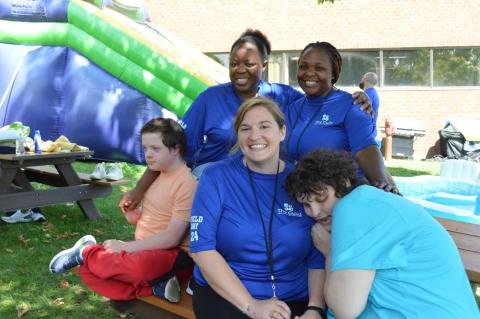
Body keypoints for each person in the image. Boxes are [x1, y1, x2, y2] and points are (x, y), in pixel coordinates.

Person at [119, 29, 373, 213]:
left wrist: (359, 98)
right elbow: (173, 145)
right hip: (215, 179)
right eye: (233, 63)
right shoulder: (210, 99)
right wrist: (139, 189)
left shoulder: (282, 96)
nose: (240, 69)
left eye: (249, 64)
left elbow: (318, 98)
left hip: (265, 181)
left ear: (263, 64)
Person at [285, 150, 480, 319]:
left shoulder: (351, 207)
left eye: (321, 198)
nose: (316, 212)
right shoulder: (370, 201)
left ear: (343, 183)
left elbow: (344, 308)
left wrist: (329, 252)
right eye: (306, 204)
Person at [190, 97, 326, 319]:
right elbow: (202, 249)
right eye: (245, 129)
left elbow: (316, 255)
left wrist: (315, 307)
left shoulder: (301, 180)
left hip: (294, 298)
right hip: (227, 295)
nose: (254, 136)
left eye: (264, 126)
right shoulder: (216, 177)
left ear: (282, 132)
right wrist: (252, 306)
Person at [48, 118, 197, 301]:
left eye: (155, 149)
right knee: (87, 273)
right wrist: (135, 217)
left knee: (134, 269)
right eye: (145, 149)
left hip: (174, 257)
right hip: (145, 251)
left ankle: (86, 252)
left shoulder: (187, 184)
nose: (148, 155)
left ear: (175, 149)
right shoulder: (157, 174)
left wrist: (127, 247)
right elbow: (157, 217)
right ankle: (154, 287)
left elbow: (172, 238)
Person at [283, 42, 398, 193]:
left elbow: (365, 148)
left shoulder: (353, 105)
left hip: (342, 197)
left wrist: (382, 183)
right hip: (305, 201)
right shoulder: (291, 108)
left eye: (319, 68)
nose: (309, 73)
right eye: (304, 66)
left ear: (333, 73)